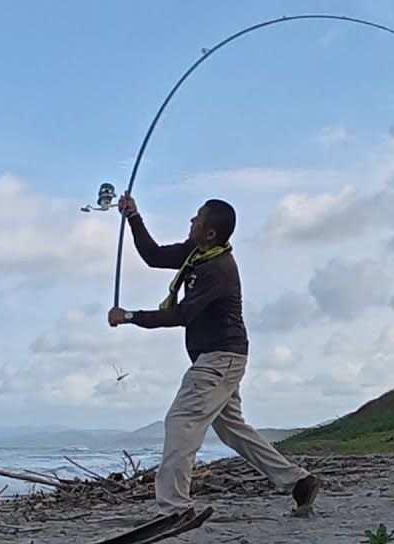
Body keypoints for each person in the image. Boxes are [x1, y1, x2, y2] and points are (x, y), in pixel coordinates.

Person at [107, 191, 321, 517]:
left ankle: (175, 508)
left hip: (219, 358)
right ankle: (298, 481)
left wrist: (130, 316)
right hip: (223, 357)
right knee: (231, 428)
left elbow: (183, 315)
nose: (191, 221)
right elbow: (152, 255)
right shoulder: (198, 254)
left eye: (197, 217)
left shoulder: (218, 269)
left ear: (210, 233)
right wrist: (133, 216)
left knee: (181, 421)